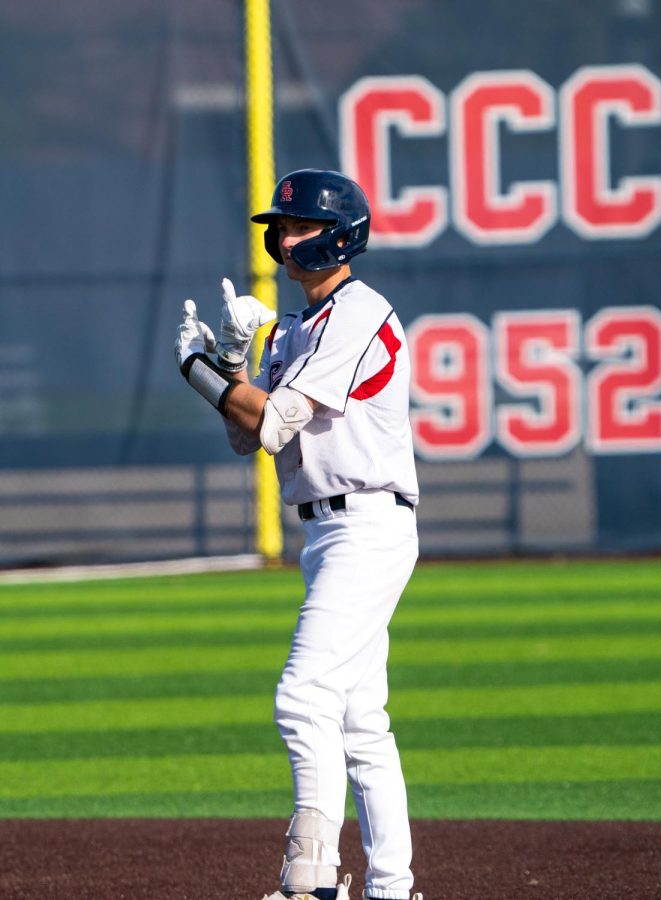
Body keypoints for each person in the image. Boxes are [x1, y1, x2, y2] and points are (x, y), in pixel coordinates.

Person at [174, 169, 422, 900]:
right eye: (280, 228)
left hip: (368, 523)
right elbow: (244, 438)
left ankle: (310, 879)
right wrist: (229, 360)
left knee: (302, 696)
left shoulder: (358, 312)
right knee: (358, 723)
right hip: (328, 532)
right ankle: (390, 886)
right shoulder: (298, 328)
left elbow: (274, 420)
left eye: (301, 226)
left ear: (341, 234)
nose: (286, 238)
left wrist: (196, 372)